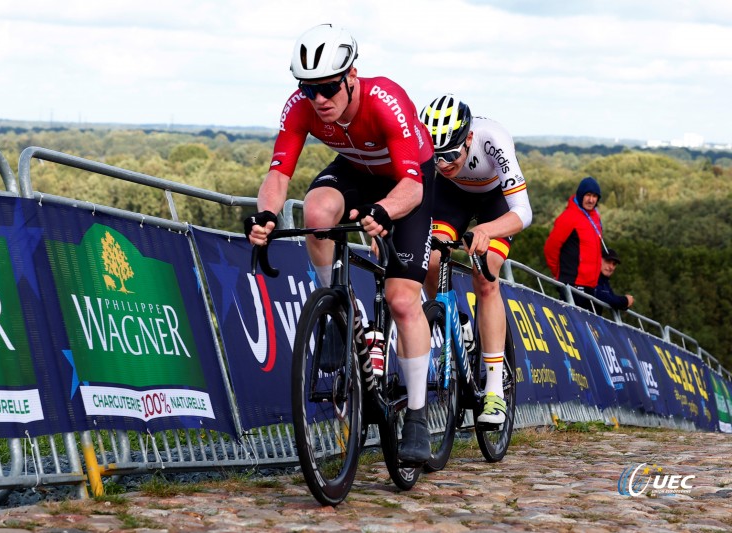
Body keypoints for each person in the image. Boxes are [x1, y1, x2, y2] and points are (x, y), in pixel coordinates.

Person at [244, 24, 436, 463]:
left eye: (329, 88)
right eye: (309, 90)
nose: (319, 100)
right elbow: (278, 176)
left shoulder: (386, 102)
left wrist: (385, 211)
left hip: (408, 180)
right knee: (315, 212)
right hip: (354, 169)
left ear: (352, 76)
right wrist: (269, 215)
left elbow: (412, 186)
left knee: (403, 300)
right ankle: (338, 311)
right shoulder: (302, 106)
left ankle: (419, 418)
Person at [419, 94, 532, 425]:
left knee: (486, 277)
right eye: (436, 157)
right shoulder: (439, 160)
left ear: (468, 138)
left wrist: (487, 230)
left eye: (451, 155)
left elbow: (523, 213)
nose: (443, 164)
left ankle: (494, 391)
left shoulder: (492, 141)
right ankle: (457, 324)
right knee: (431, 259)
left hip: (495, 200)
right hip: (452, 197)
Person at [543, 176, 605, 310]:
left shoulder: (595, 217)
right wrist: (559, 273)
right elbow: (550, 248)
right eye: (588, 195)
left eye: (595, 196)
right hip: (573, 284)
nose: (591, 200)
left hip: (591, 286)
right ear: (580, 195)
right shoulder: (568, 217)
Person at [594, 248, 634, 314]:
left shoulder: (605, 283)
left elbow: (612, 299)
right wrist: (626, 300)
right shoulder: (591, 276)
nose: (611, 267)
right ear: (599, 259)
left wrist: (624, 303)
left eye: (614, 264)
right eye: (608, 261)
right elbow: (603, 296)